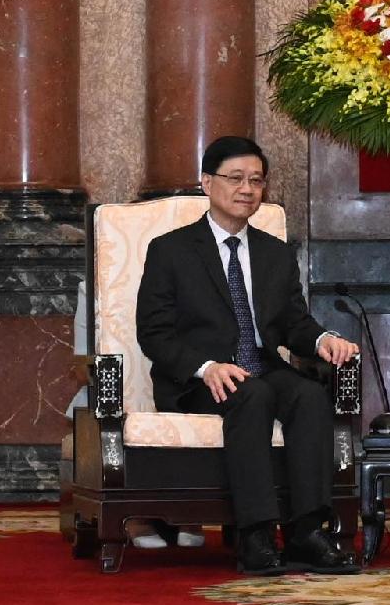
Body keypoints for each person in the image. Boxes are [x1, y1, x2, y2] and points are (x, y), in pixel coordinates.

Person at [136, 136, 366, 574]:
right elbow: (154, 333)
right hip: (200, 380)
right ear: (207, 182)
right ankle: (256, 534)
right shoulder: (171, 250)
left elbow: (294, 324)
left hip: (260, 367)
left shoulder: (274, 254)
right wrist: (205, 368)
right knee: (252, 396)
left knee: (309, 395)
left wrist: (323, 341)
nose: (247, 189)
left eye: (256, 181)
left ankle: (307, 532)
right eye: (236, 178)